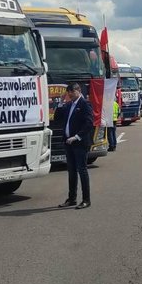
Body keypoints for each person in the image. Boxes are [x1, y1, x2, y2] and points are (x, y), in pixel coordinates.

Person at [55, 82, 94, 210]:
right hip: (68, 143)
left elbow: (89, 123)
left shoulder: (85, 104)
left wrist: (77, 136)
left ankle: (86, 200)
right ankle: (72, 198)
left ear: (78, 90)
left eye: (71, 92)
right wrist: (60, 103)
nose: (70, 95)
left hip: (80, 143)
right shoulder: (69, 104)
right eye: (68, 93)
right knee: (71, 171)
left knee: (82, 170)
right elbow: (57, 117)